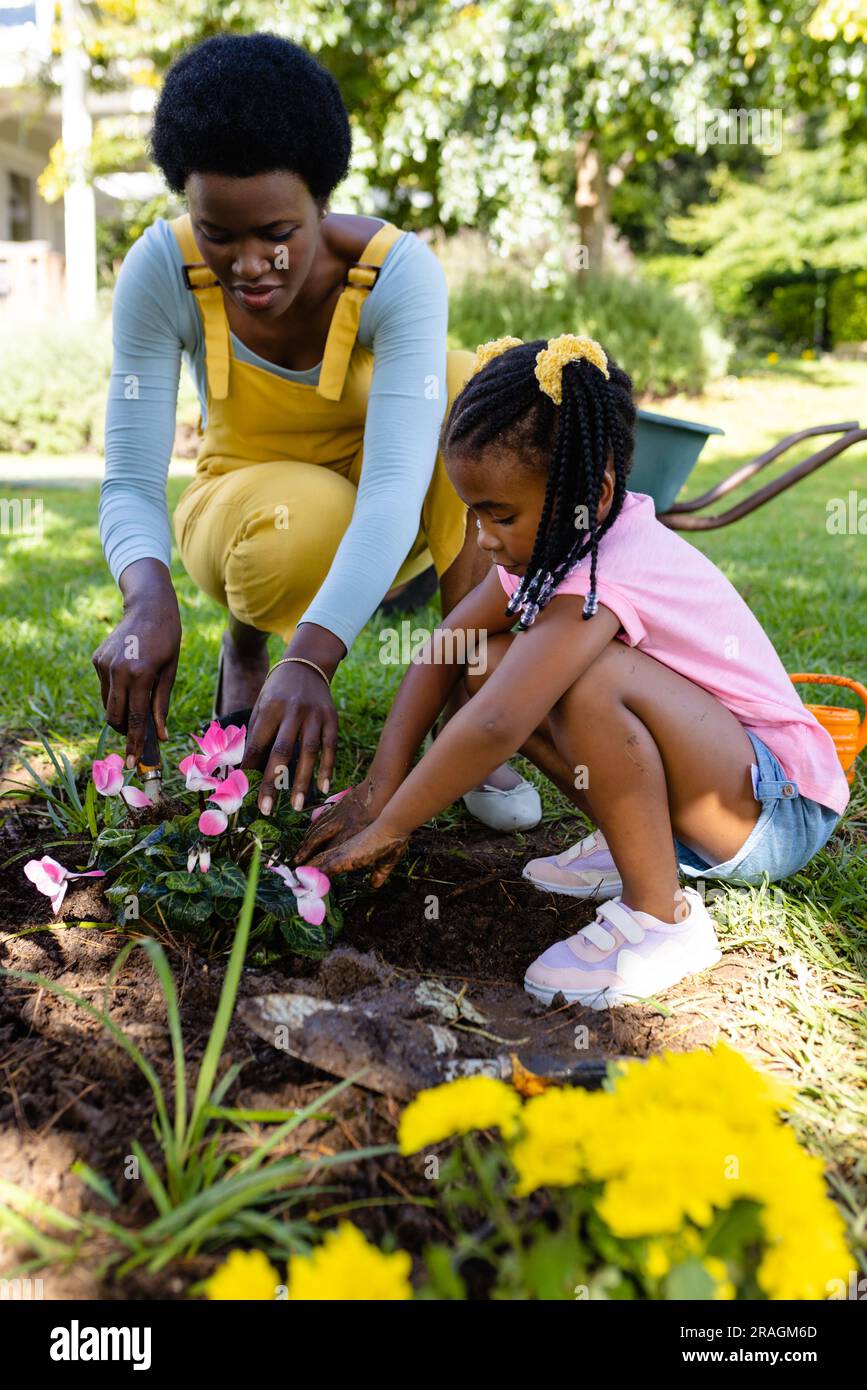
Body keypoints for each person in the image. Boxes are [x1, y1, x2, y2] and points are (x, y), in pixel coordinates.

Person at [295, 333, 850, 1010]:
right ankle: (635, 846)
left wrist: (391, 825)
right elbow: (447, 643)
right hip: (712, 789)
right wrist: (381, 782)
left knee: (588, 678)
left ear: (595, 491)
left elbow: (499, 721)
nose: (483, 539)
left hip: (773, 811)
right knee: (483, 659)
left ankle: (660, 917)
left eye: (500, 515)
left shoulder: (609, 569)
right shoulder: (556, 538)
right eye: (472, 513)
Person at [92, 30, 541, 833]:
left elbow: (399, 489)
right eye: (218, 234)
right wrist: (146, 593)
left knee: (469, 380)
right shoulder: (160, 269)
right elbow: (128, 478)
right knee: (304, 523)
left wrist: (312, 659)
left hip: (381, 506)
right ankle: (246, 639)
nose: (249, 264)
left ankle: (461, 685)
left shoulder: (393, 273)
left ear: (320, 201)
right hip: (238, 509)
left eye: (276, 233)